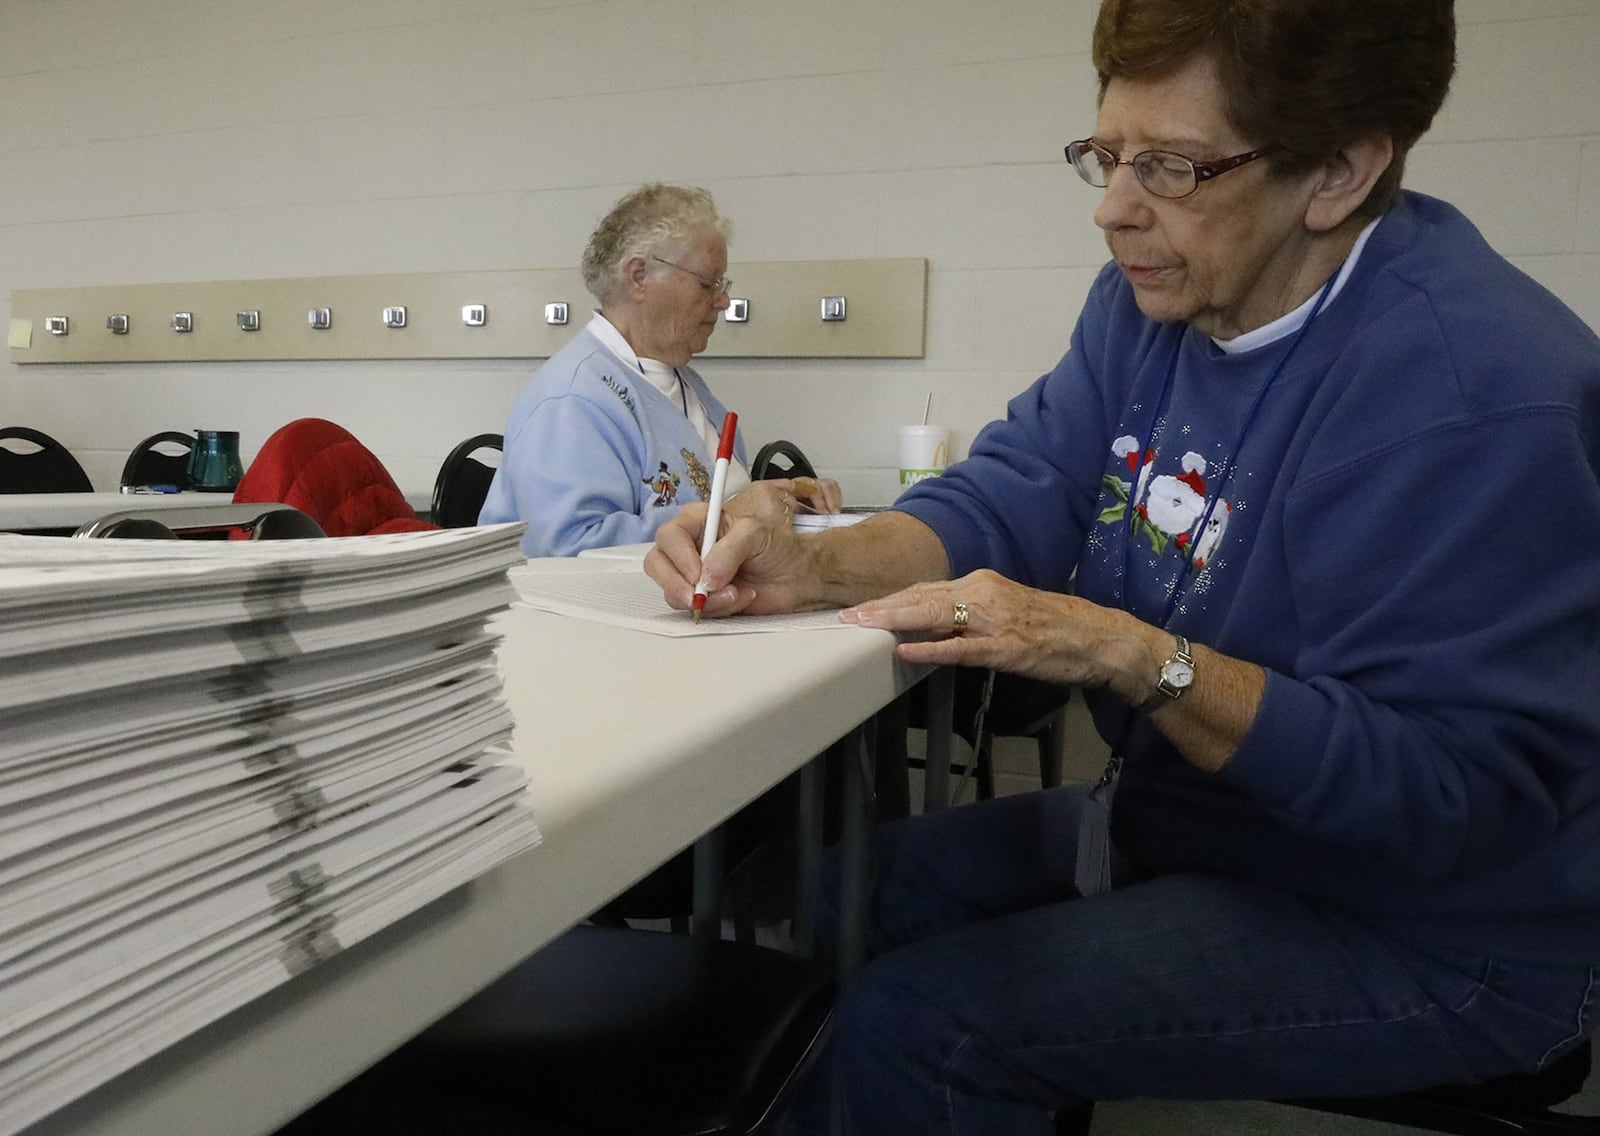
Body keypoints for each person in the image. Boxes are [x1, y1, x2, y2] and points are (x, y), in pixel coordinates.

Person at [645, 0, 1600, 1131]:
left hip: (1433, 922)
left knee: (928, 1019)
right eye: (1105, 155)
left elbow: (1450, 799)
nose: (1112, 209)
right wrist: (810, 564)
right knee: (839, 894)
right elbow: (1023, 484)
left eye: (1171, 168)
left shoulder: (1476, 392)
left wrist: (1137, 658)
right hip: (1202, 823)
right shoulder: (1159, 300)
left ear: (1338, 172)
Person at [479, 183, 840, 556]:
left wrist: (786, 502)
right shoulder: (572, 399)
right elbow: (563, 548)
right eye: (707, 283)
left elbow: (724, 499)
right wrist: (730, 517)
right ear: (638, 277)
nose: (723, 301)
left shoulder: (686, 386)